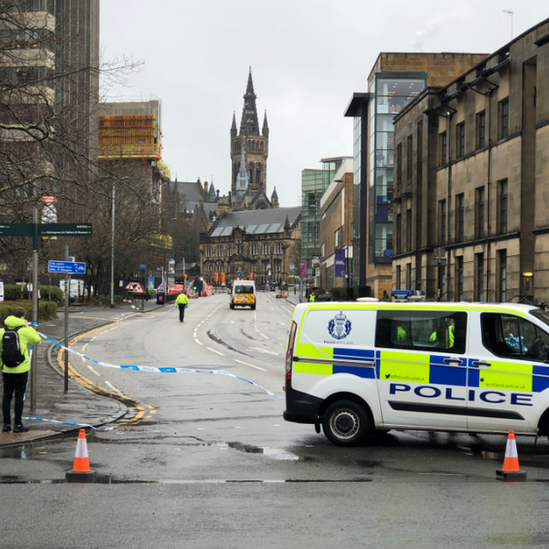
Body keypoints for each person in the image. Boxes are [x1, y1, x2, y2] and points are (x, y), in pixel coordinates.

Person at [2, 307, 41, 433]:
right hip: (21, 369)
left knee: (6, 396)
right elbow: (37, 340)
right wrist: (28, 326)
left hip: (6, 369)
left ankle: (6, 424)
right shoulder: (24, 331)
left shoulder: (2, 331)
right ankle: (17, 425)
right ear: (22, 317)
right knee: (19, 396)